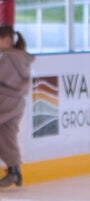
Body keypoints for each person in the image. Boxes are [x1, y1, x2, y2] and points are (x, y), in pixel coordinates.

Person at [0, 24, 34, 188]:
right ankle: (14, 171)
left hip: (5, 100)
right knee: (7, 136)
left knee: (6, 136)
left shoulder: (7, 58)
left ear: (6, 40)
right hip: (17, 102)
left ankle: (14, 170)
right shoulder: (21, 57)